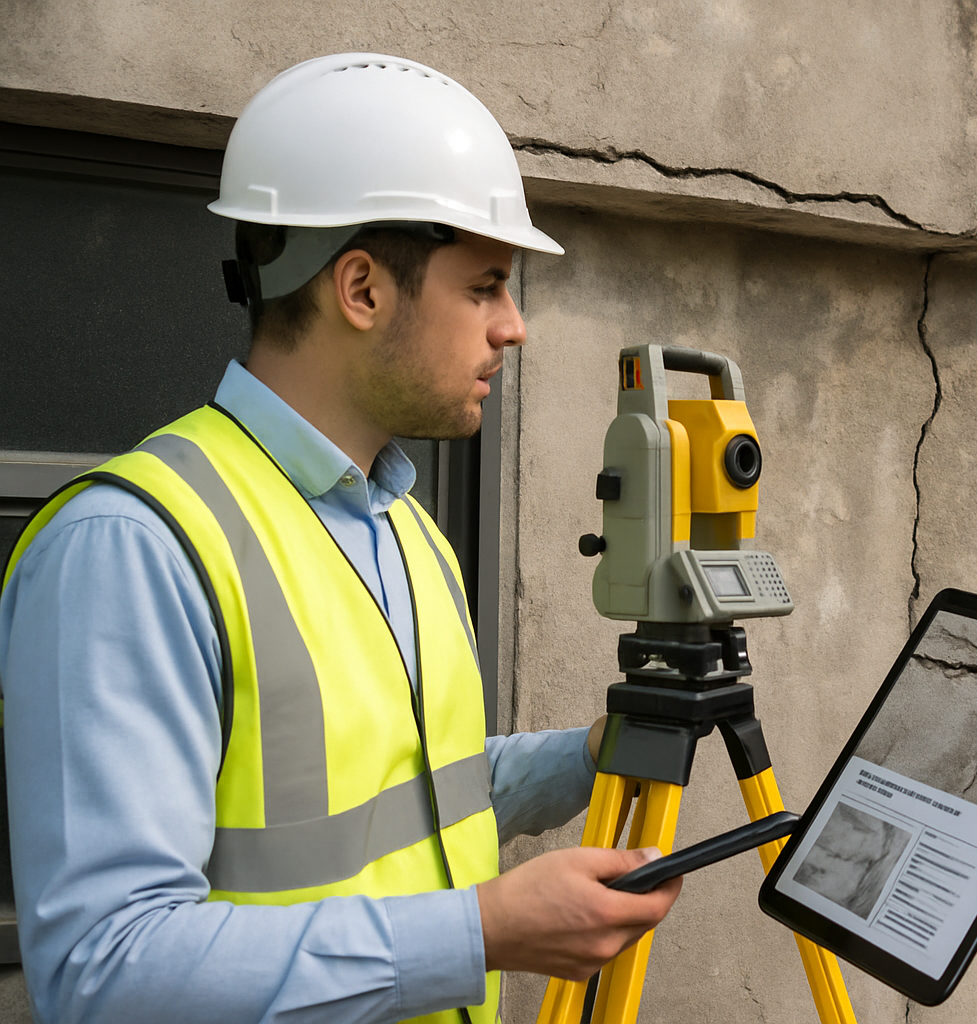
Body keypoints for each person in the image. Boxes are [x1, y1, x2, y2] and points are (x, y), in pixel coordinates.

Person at [0, 53, 680, 1024]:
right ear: (360, 288)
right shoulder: (131, 547)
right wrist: (480, 930)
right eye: (486, 285)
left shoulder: (401, 523)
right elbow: (106, 968)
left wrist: (585, 757)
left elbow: (409, 786)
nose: (514, 326)